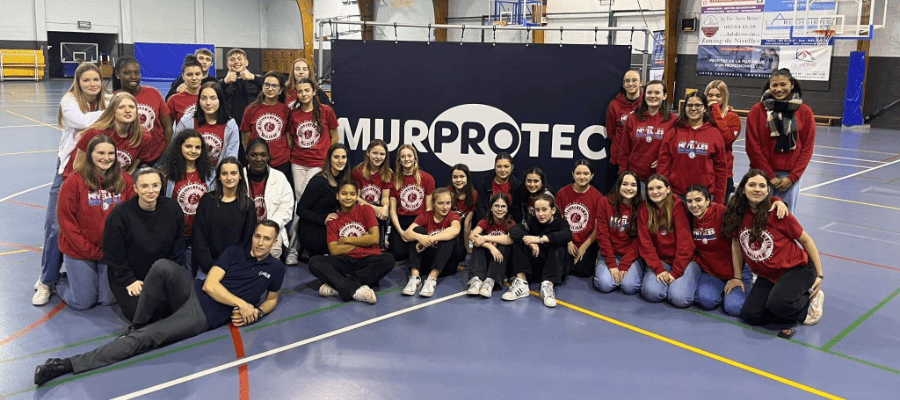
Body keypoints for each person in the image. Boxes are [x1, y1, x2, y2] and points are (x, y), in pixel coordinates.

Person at [35, 220, 285, 386]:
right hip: (194, 289)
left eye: (266, 239)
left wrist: (258, 312)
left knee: (147, 338)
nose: (260, 243)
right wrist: (243, 304)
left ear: (275, 243)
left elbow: (272, 299)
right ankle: (139, 322)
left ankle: (65, 365)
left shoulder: (276, 269)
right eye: (257, 236)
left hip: (204, 315)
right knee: (163, 266)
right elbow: (210, 285)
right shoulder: (234, 252)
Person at [35, 63, 110, 306]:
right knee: (56, 227)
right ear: (77, 83)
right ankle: (47, 280)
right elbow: (80, 121)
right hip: (70, 168)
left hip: (99, 169)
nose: (92, 84)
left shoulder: (108, 100)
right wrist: (112, 112)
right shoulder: (69, 101)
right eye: (86, 80)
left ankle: (84, 272)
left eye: (96, 80)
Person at [722, 169, 825, 327]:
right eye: (752, 185)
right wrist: (737, 277)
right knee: (750, 316)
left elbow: (807, 241)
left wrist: (819, 274)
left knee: (778, 304)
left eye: (762, 186)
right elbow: (736, 244)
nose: (757, 189)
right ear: (743, 189)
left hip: (797, 268)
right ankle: (783, 299)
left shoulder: (778, 212)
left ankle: (808, 302)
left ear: (768, 190)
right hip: (769, 273)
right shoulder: (737, 213)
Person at [56, 136, 135, 310]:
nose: (106, 158)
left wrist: (118, 250)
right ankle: (59, 281)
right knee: (83, 302)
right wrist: (89, 250)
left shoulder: (125, 180)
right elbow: (67, 222)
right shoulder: (74, 181)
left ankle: (83, 281)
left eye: (110, 153)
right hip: (80, 251)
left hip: (110, 253)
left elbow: (132, 216)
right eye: (100, 153)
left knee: (107, 299)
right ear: (90, 154)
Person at [686, 184, 787, 316]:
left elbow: (751, 206)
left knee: (735, 308)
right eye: (689, 201)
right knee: (705, 301)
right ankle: (723, 290)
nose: (694, 205)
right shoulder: (688, 218)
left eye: (698, 200)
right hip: (712, 272)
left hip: (737, 271)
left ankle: (750, 287)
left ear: (708, 201)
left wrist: (777, 201)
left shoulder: (722, 212)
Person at [104, 168, 186, 322]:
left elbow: (178, 244)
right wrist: (129, 280)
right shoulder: (120, 215)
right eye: (145, 186)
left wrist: (169, 276)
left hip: (161, 275)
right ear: (135, 188)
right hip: (130, 276)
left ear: (161, 186)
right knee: (141, 314)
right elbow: (113, 253)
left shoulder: (172, 208)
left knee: (171, 309)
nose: (151, 190)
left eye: (155, 185)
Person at [307, 181, 395, 304]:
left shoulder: (366, 210)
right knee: (314, 262)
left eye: (352, 194)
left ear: (356, 196)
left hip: (367, 258)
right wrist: (363, 240)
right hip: (345, 260)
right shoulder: (334, 220)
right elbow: (334, 250)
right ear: (337, 196)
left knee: (388, 259)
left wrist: (346, 240)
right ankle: (354, 288)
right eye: (344, 193)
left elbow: (374, 238)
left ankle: (340, 284)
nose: (348, 197)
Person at [284, 77, 339, 265]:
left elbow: (334, 135)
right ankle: (293, 249)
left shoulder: (326, 111)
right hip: (298, 162)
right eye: (300, 91)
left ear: (314, 91)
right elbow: (291, 138)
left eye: (307, 90)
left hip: (319, 163)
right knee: (301, 203)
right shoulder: (294, 114)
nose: (304, 94)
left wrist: (330, 159)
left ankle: (301, 247)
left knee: (308, 204)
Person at [745, 69, 816, 212]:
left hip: (789, 179)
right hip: (761, 176)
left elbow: (807, 148)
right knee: (757, 218)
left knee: (784, 222)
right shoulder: (757, 111)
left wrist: (793, 177)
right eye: (774, 85)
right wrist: (770, 176)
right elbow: (753, 147)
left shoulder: (805, 112)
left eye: (783, 84)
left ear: (791, 85)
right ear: (768, 87)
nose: (778, 89)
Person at [637, 174, 700, 307]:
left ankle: (688, 281)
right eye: (650, 189)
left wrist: (676, 272)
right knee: (651, 293)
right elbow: (645, 244)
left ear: (668, 189)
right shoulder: (644, 209)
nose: (655, 192)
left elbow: (685, 243)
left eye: (659, 187)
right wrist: (658, 269)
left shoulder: (678, 206)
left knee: (679, 298)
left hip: (686, 261)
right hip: (662, 261)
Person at [503, 193, 573, 308]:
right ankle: (521, 282)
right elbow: (514, 230)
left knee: (558, 243)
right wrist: (529, 241)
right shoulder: (532, 222)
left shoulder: (560, 223)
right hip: (534, 268)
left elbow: (567, 235)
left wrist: (539, 239)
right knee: (520, 239)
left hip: (552, 268)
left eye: (544, 210)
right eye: (537, 210)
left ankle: (547, 286)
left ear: (553, 210)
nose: (540, 214)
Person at [656, 92, 728, 203]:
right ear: (684, 108)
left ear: (704, 108)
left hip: (705, 197)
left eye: (698, 105)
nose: (693, 109)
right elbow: (663, 163)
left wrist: (719, 200)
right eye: (689, 105)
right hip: (676, 195)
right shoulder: (673, 132)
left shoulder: (714, 134)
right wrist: (664, 190)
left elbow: (721, 170)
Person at [160, 129, 215, 273]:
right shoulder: (167, 174)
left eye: (198, 147)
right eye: (188, 146)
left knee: (194, 276)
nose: (193, 151)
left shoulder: (210, 174)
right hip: (175, 234)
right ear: (179, 147)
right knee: (175, 274)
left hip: (200, 235)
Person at [192, 158, 257, 275]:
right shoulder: (207, 201)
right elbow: (199, 236)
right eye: (224, 173)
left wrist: (232, 266)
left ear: (240, 176)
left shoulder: (248, 205)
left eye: (233, 173)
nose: (229, 178)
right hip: (208, 267)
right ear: (219, 177)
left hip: (235, 268)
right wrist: (209, 266)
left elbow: (247, 241)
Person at [69, 92, 150, 176]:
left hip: (115, 182)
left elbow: (133, 166)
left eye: (132, 107)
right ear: (112, 111)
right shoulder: (94, 133)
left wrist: (124, 180)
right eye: (121, 107)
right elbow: (77, 165)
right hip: (88, 179)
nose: (128, 110)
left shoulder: (143, 137)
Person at [400, 188, 462, 297]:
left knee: (448, 238)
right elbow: (406, 234)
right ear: (433, 204)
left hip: (446, 263)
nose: (445, 207)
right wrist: (420, 238)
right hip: (428, 261)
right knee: (416, 232)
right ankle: (415, 277)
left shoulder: (453, 216)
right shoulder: (426, 215)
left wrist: (429, 239)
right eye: (440, 203)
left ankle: (432, 279)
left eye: (448, 203)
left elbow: (455, 230)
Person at [113, 56, 173, 166]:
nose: (133, 77)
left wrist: (166, 154)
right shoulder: (113, 99)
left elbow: (168, 127)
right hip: (129, 161)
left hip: (158, 156)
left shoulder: (153, 93)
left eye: (137, 73)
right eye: (127, 73)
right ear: (118, 74)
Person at [617, 80, 678, 187]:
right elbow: (624, 148)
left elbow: (677, 150)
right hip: (635, 178)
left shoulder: (673, 120)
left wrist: (663, 160)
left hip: (660, 178)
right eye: (649, 92)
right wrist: (623, 173)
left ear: (664, 96)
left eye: (657, 93)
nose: (652, 96)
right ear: (644, 95)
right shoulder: (633, 118)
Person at [593, 171, 644, 294]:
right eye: (625, 184)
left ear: (638, 188)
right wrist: (611, 264)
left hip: (630, 256)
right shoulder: (605, 202)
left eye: (633, 185)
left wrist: (625, 264)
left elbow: (639, 240)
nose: (629, 188)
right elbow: (602, 235)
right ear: (619, 185)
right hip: (609, 253)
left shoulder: (642, 207)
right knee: (604, 285)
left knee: (630, 287)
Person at [296, 143, 350, 258]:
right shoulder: (319, 181)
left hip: (331, 227)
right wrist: (323, 219)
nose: (340, 161)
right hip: (313, 230)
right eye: (336, 157)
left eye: (343, 157)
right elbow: (300, 210)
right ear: (329, 159)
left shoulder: (344, 181)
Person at [244, 139, 295, 258]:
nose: (258, 159)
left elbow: (286, 208)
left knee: (273, 250)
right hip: (245, 229)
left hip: (271, 227)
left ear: (268, 157)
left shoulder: (279, 177)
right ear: (247, 156)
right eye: (254, 155)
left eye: (263, 155)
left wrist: (270, 227)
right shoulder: (239, 176)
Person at [240, 71, 292, 185]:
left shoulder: (286, 110)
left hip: (281, 162)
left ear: (281, 90)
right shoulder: (251, 109)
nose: (270, 88)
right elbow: (245, 136)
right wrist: (252, 155)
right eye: (266, 84)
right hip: (257, 163)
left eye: (274, 86)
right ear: (262, 86)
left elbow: (289, 137)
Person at [175, 82, 240, 168]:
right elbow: (176, 150)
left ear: (220, 100)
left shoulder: (231, 125)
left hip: (219, 176)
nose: (208, 103)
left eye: (213, 98)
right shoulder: (187, 121)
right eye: (203, 98)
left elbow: (231, 157)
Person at [387, 145, 435, 262]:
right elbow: (392, 211)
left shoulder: (427, 178)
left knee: (421, 253)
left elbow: (429, 208)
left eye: (409, 156)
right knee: (397, 255)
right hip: (401, 221)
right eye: (403, 156)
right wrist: (402, 232)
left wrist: (425, 229)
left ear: (415, 158)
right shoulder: (394, 180)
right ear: (399, 160)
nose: (406, 159)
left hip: (419, 221)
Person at [555, 160, 602, 278]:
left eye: (586, 174)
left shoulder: (598, 197)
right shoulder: (563, 193)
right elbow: (558, 221)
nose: (582, 177)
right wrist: (568, 242)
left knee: (584, 272)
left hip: (586, 241)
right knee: (561, 271)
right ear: (573, 174)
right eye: (578, 173)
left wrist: (583, 248)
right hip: (566, 240)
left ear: (592, 176)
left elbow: (598, 227)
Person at [467, 193, 515, 298]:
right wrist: (490, 246)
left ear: (507, 209)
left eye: (503, 206)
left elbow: (509, 239)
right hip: (488, 258)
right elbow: (472, 236)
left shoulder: (511, 224)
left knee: (502, 245)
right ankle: (477, 279)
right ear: (491, 208)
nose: (500, 209)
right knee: (478, 244)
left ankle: (490, 281)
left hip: (502, 261)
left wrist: (485, 238)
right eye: (496, 206)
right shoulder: (485, 221)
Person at [605, 69, 643, 193]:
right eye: (627, 81)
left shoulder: (646, 104)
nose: (630, 84)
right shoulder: (614, 105)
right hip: (618, 158)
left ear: (641, 83)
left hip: (640, 158)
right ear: (623, 84)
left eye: (634, 80)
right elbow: (611, 132)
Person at [351, 140, 393, 247]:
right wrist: (373, 208)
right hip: (360, 207)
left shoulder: (388, 173)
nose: (378, 157)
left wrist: (385, 207)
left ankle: (381, 244)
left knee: (384, 215)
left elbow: (385, 197)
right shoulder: (358, 171)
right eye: (375, 153)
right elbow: (355, 197)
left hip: (377, 209)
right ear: (368, 153)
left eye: (382, 154)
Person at [704, 80, 742, 199]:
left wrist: (715, 111)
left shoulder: (732, 118)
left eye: (718, 96)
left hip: (722, 175)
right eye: (710, 96)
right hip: (702, 172)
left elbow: (726, 140)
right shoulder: (700, 116)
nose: (713, 99)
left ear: (724, 97)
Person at [216, 48, 263, 129]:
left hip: (252, 124)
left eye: (239, 59)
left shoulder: (256, 80)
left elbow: (271, 87)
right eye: (232, 59)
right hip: (229, 125)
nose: (236, 62)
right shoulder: (222, 83)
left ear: (246, 62)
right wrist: (224, 82)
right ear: (227, 64)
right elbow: (212, 93)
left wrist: (253, 78)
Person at [475, 153, 522, 223]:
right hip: (488, 223)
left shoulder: (517, 185)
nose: (502, 170)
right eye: (499, 166)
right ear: (494, 167)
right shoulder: (486, 181)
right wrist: (485, 223)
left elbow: (517, 211)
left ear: (512, 167)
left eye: (506, 166)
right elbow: (481, 205)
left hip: (509, 224)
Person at [448, 164, 477, 257]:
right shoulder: (446, 193)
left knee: (460, 253)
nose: (458, 180)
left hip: (462, 230)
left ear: (467, 178)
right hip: (447, 228)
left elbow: (467, 224)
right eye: (455, 177)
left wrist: (468, 248)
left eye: (462, 177)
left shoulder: (473, 194)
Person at [166, 55, 204, 124]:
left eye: (197, 74)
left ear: (202, 75)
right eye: (189, 75)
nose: (194, 78)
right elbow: (168, 127)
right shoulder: (174, 100)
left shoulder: (210, 97)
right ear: (183, 77)